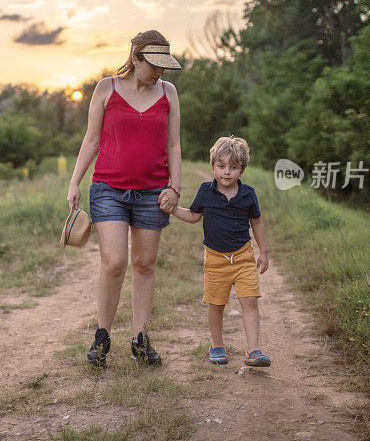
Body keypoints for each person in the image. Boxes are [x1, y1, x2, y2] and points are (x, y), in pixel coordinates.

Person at [67, 30, 182, 368]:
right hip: (109, 189)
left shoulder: (169, 92)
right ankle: (102, 337)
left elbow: (174, 145)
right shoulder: (106, 88)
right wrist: (75, 182)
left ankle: (140, 339)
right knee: (114, 261)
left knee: (144, 264)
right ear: (135, 58)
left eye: (164, 66)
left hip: (153, 191)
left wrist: (175, 188)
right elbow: (91, 141)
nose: (159, 72)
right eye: (154, 65)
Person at [165, 136, 271, 367]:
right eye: (221, 166)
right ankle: (217, 345)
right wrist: (173, 210)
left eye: (233, 167)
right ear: (212, 166)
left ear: (242, 170)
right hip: (215, 259)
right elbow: (193, 216)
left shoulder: (248, 194)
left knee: (250, 301)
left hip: (243, 257)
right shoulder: (206, 192)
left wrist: (263, 251)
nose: (226, 172)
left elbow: (257, 222)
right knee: (216, 304)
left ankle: (253, 350)